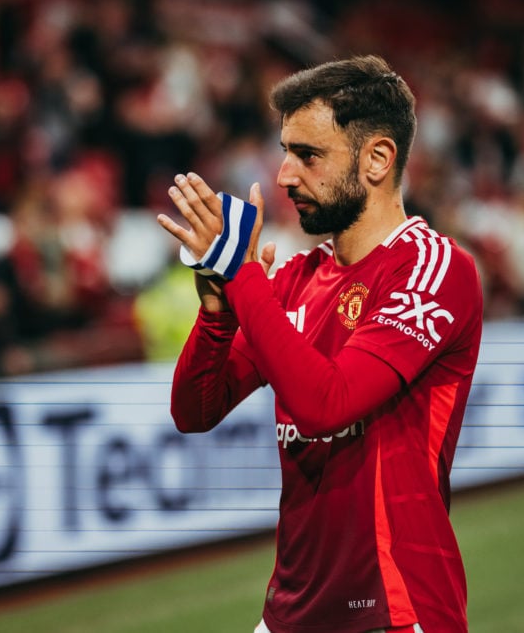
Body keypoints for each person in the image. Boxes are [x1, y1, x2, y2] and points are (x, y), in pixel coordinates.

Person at [157, 55, 483, 633]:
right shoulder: (296, 279)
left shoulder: (435, 270)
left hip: (395, 612)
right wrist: (216, 315)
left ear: (378, 158)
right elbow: (193, 411)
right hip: (290, 616)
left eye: (308, 155)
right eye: (284, 151)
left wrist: (242, 275)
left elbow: (326, 403)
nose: (284, 175)